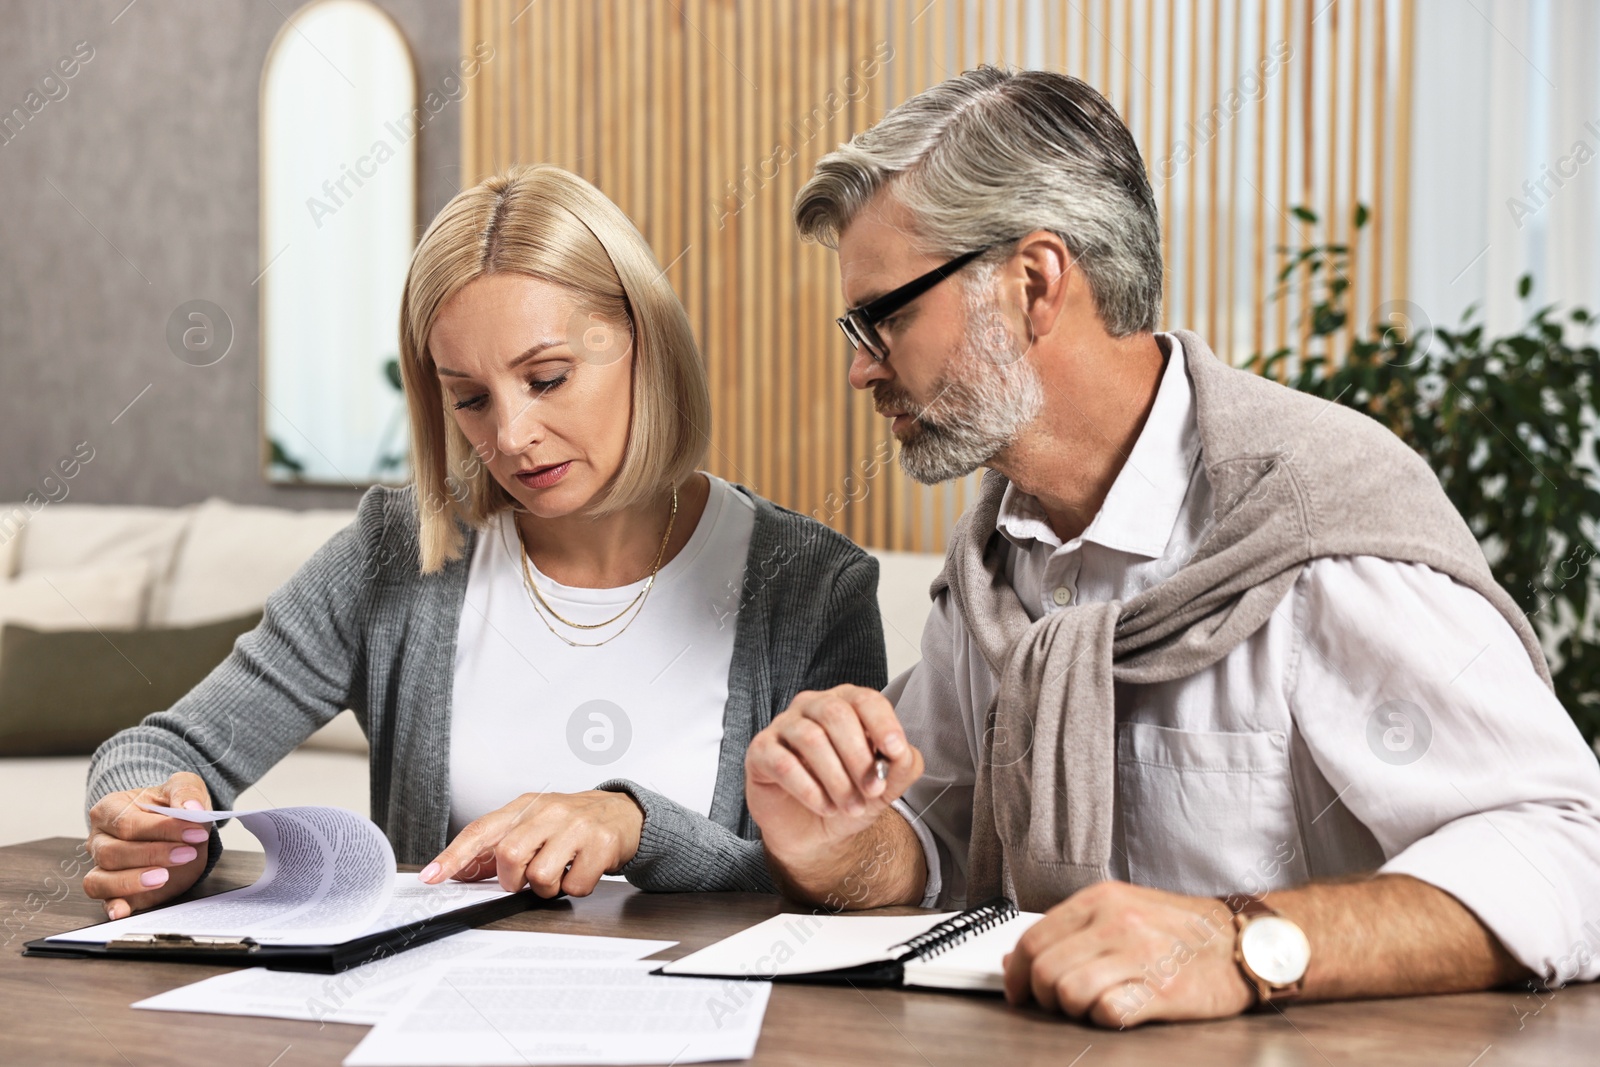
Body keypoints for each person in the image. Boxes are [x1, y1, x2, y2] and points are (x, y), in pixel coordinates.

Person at [744, 66, 1600, 1027]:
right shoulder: (995, 555)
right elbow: (940, 842)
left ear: (1034, 283)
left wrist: (1243, 944)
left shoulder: (1316, 527)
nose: (861, 366)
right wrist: (837, 844)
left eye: (885, 314)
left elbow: (1567, 849)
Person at [81, 163, 886, 921]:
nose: (510, 436)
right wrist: (153, 822)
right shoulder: (395, 555)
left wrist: (638, 824)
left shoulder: (812, 586)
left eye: (547, 378)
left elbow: (842, 877)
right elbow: (161, 749)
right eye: (469, 399)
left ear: (646, 340)